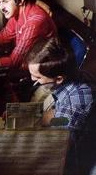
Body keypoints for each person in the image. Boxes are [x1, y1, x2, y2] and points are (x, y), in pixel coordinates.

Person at [25, 37, 96, 175]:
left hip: (73, 160)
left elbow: (58, 152)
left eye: (38, 77)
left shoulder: (75, 102)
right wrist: (28, 116)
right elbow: (59, 115)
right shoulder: (76, 75)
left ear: (59, 79)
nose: (33, 80)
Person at [0, 0, 57, 68]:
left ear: (20, 0)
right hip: (28, 60)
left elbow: (14, 62)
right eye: (0, 2)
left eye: (5, 2)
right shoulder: (17, 11)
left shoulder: (34, 22)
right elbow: (4, 36)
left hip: (40, 68)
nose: (2, 7)